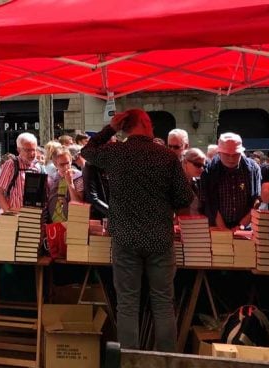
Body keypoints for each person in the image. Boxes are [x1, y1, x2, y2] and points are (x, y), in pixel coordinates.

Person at [81, 108, 193, 352]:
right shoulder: (166, 156)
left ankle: (130, 360)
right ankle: (165, 361)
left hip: (126, 238)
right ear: (146, 123)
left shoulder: (116, 152)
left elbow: (86, 151)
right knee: (163, 303)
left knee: (127, 304)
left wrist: (110, 128)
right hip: (160, 238)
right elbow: (184, 198)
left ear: (124, 126)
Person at [200, 132, 261, 229]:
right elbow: (209, 203)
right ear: (219, 153)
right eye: (227, 155)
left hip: (246, 225)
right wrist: (223, 228)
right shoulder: (209, 171)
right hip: (216, 225)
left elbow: (256, 200)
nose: (231, 159)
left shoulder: (253, 169)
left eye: (235, 155)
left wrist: (241, 225)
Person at [0, 132, 43, 212]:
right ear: (18, 150)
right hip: (14, 215)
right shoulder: (11, 164)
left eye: (34, 150)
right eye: (28, 150)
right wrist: (9, 212)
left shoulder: (38, 166)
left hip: (33, 215)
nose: (32, 154)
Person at [46, 147, 83, 223]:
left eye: (67, 163)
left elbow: (77, 204)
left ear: (71, 161)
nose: (66, 167)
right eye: (62, 165)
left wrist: (70, 183)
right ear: (55, 165)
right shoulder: (51, 179)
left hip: (73, 222)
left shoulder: (79, 177)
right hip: (53, 223)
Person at [180, 148, 207, 215]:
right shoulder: (175, 182)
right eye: (198, 165)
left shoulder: (198, 182)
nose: (202, 169)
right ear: (185, 162)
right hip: (182, 223)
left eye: (203, 166)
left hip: (198, 223)